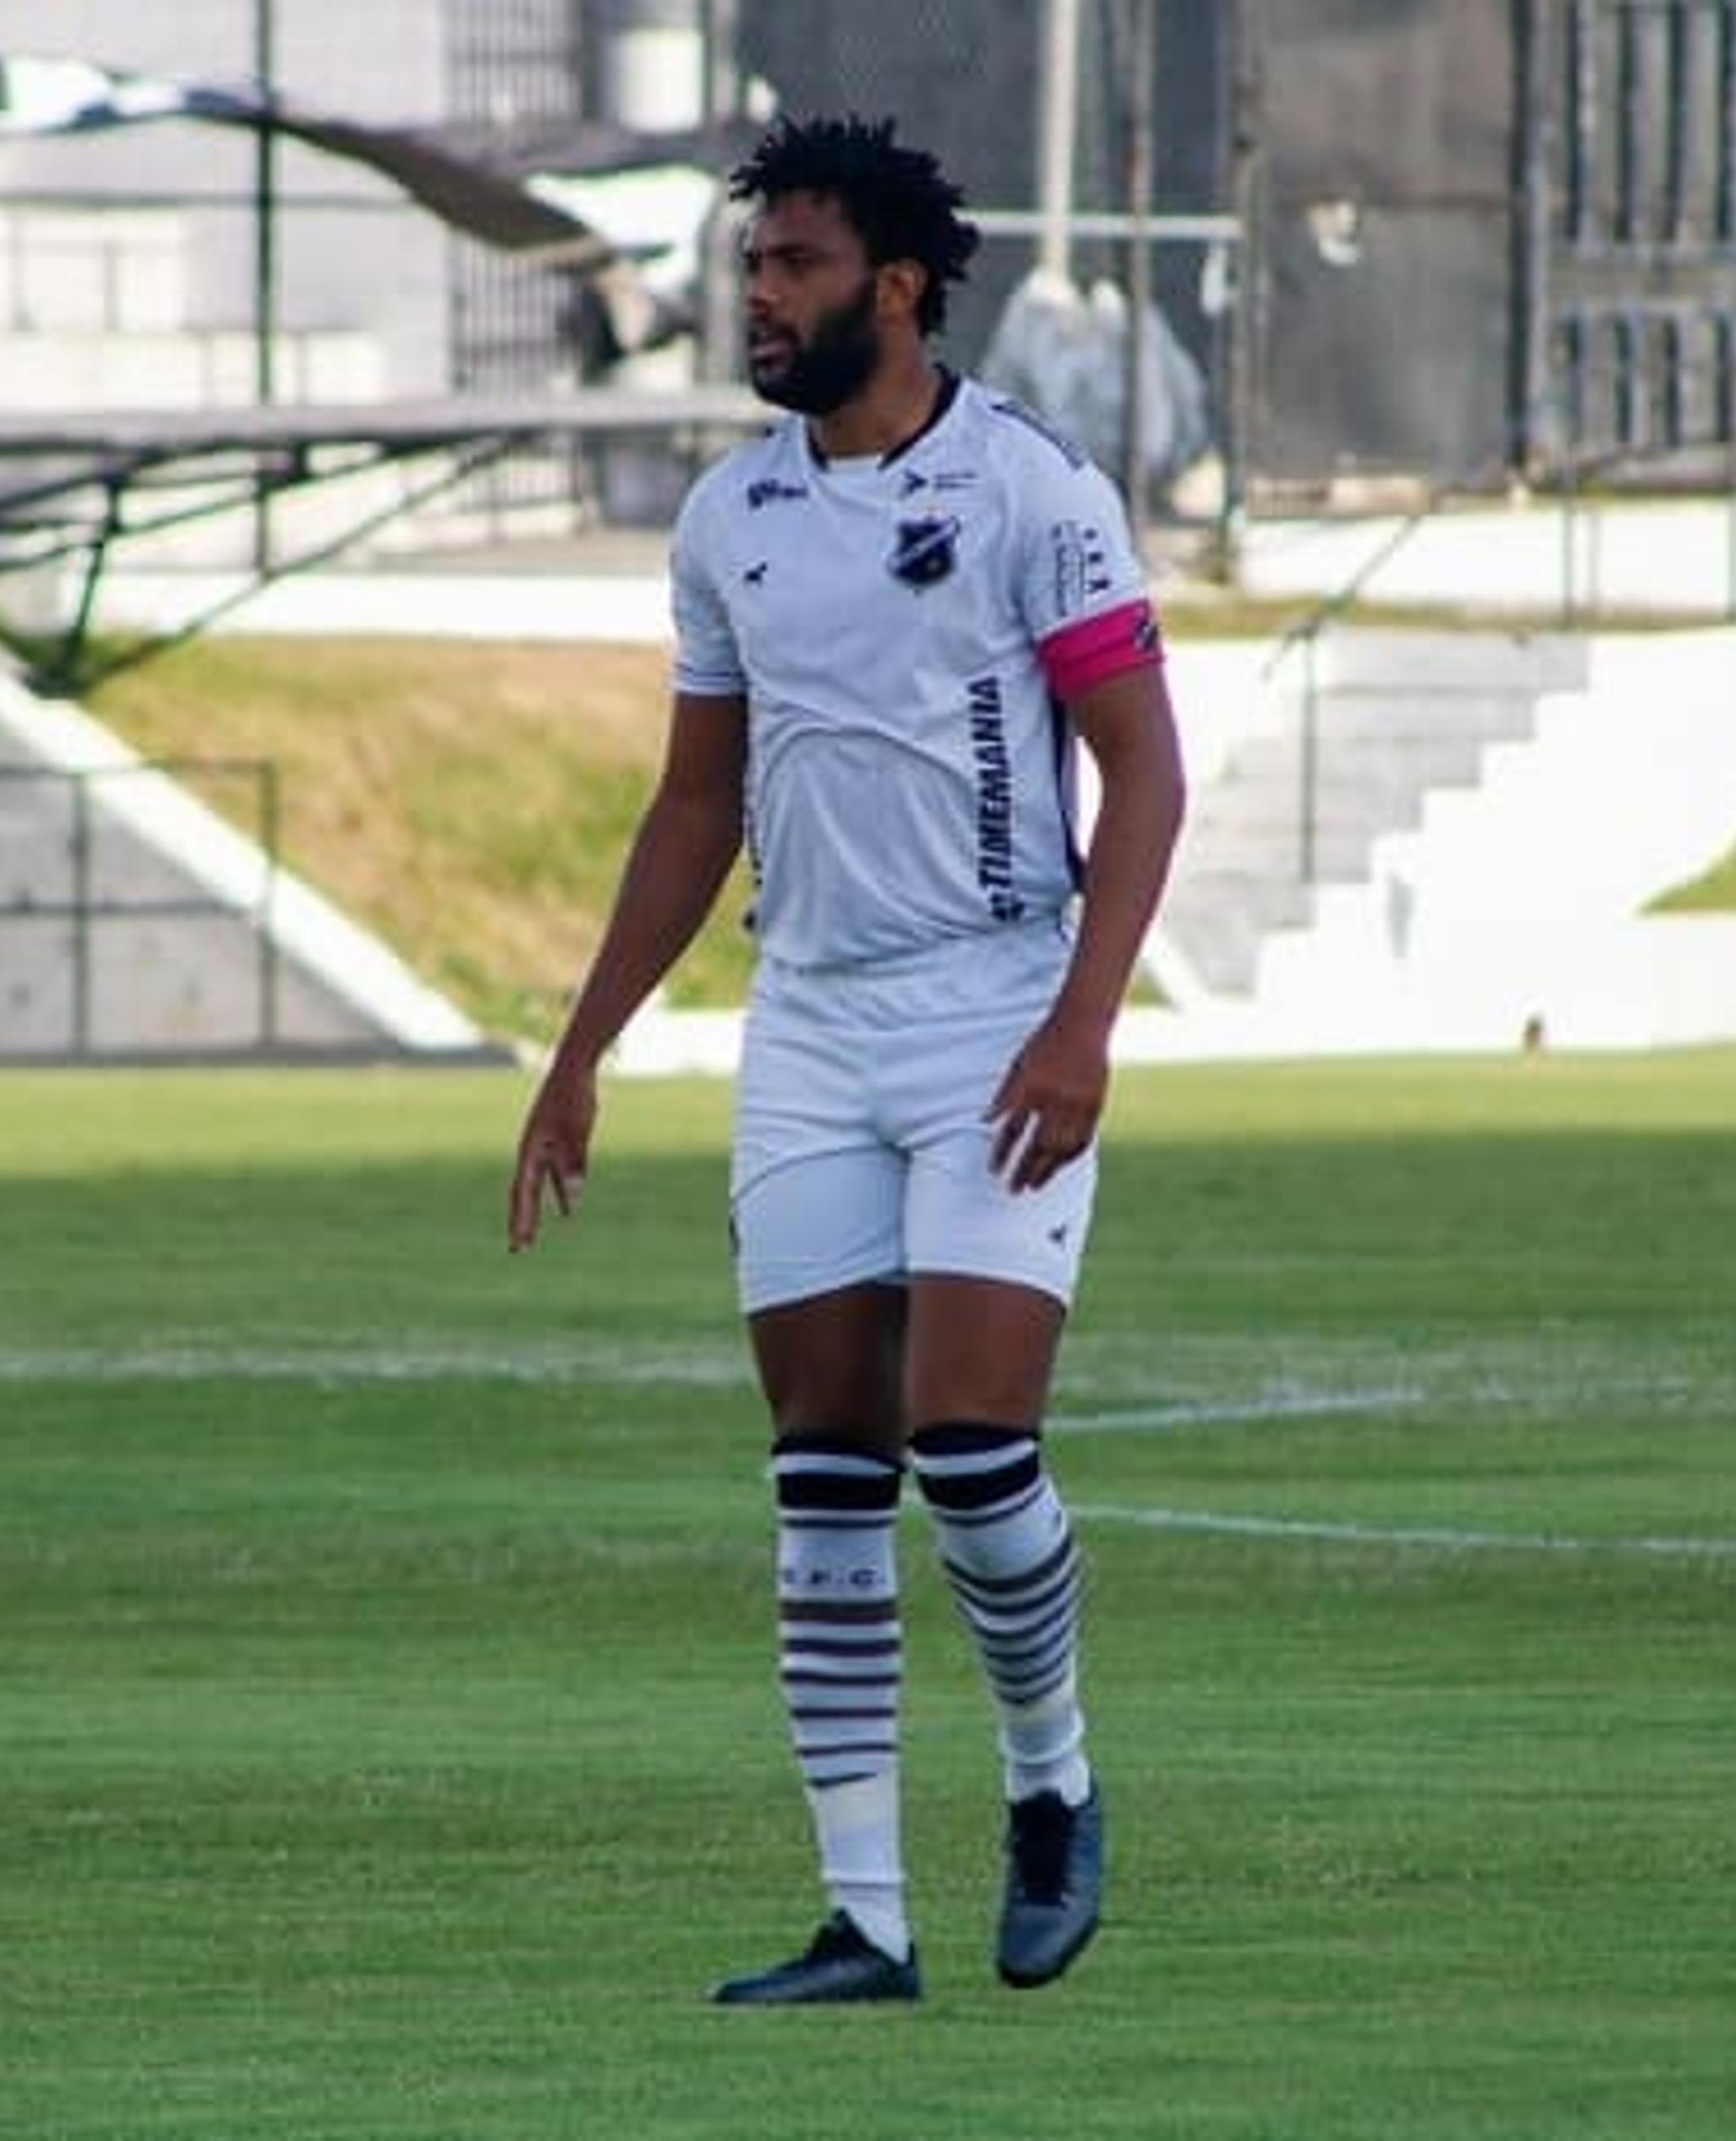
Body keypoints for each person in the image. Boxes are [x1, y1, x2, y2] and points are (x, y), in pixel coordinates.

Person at [505, 113, 1184, 2007]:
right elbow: (694, 802)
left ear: (893, 285)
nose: (758, 299)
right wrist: (580, 1053)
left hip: (994, 1008)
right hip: (808, 1021)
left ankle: (1052, 1785)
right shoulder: (732, 516)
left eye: (792, 267)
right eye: (749, 269)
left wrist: (1082, 1022)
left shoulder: (1037, 492)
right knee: (821, 1466)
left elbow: (1145, 770)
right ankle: (865, 1919)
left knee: (969, 1445)